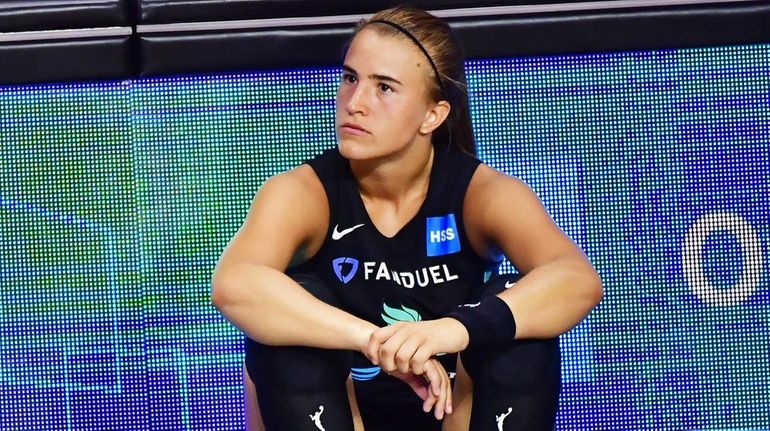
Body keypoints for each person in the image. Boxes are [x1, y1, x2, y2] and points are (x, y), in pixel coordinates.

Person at [211, 5, 603, 431]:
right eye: (350, 78)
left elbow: (576, 279)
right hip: (343, 413)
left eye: (384, 87)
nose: (355, 102)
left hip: (449, 412)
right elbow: (236, 284)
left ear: (433, 114)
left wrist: (452, 329)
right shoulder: (303, 192)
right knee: (287, 320)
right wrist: (372, 340)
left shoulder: (481, 192)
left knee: (518, 317)